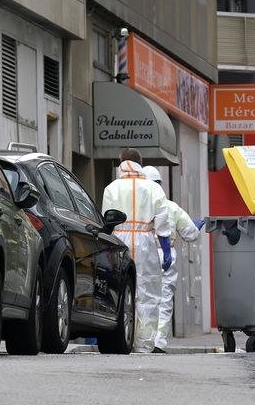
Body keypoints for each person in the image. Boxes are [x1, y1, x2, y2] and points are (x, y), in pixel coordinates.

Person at [101, 149, 172, 354]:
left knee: (121, 290)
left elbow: (107, 220)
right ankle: (145, 344)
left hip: (119, 241)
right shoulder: (153, 188)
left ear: (121, 162)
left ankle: (122, 338)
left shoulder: (111, 188)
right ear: (140, 163)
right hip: (146, 242)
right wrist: (166, 249)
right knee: (148, 294)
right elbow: (162, 220)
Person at [142, 166, 206, 353]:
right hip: (165, 256)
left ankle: (141, 339)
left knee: (142, 298)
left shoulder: (137, 208)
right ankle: (158, 341)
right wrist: (196, 226)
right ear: (159, 184)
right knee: (164, 300)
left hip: (143, 256)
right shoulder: (170, 207)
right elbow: (190, 234)